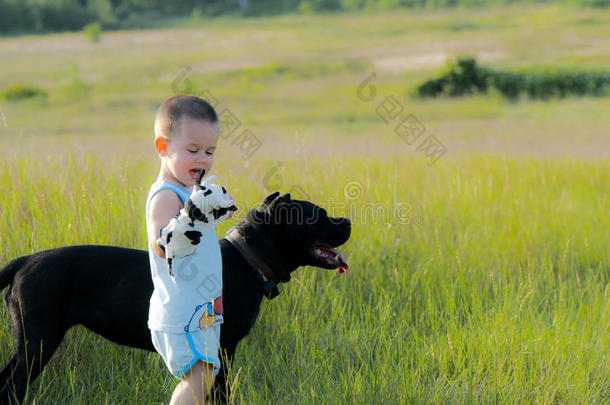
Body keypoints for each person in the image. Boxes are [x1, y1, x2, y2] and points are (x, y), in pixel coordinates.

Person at [145, 94, 234, 405]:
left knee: (203, 377)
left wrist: (210, 210)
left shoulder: (187, 191)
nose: (203, 159)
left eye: (210, 151)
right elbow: (162, 245)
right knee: (200, 379)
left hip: (200, 311)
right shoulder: (166, 195)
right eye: (192, 150)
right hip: (182, 313)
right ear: (163, 147)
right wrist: (192, 214)